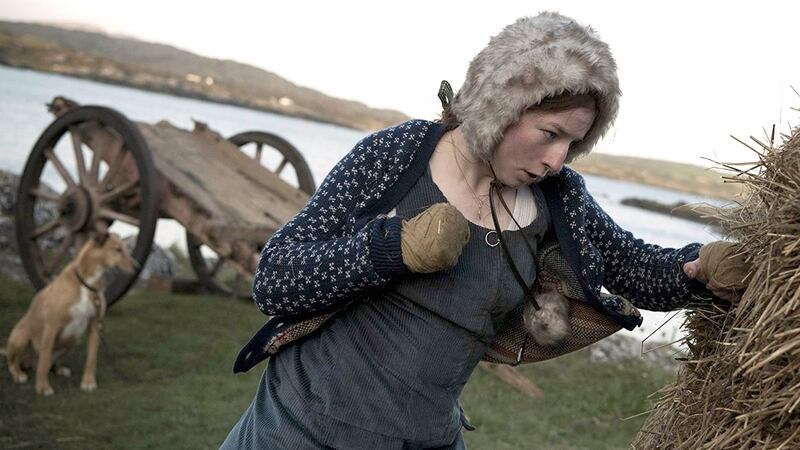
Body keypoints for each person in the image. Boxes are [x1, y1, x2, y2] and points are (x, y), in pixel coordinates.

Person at [221, 12, 731, 449]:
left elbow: (633, 267)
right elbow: (276, 279)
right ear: (499, 106)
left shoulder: (558, 197)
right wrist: (390, 249)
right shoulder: (397, 156)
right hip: (301, 431)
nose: (557, 160)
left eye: (573, 143)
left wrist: (701, 268)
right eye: (549, 134)